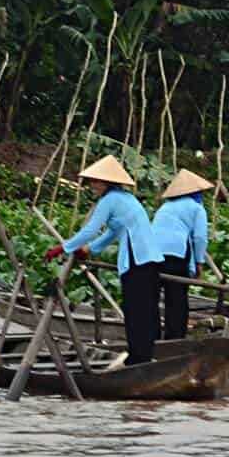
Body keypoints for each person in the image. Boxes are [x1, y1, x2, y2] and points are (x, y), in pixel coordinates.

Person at [46, 156, 162, 364]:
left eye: (96, 182)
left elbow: (91, 229)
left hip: (137, 258)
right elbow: (113, 232)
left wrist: (63, 248)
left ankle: (139, 358)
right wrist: (90, 250)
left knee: (135, 310)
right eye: (92, 182)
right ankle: (148, 354)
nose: (93, 186)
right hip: (150, 258)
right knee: (146, 309)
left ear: (107, 183)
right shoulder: (127, 199)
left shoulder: (109, 200)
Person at [152, 168, 213, 341]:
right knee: (177, 298)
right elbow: (200, 237)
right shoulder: (196, 208)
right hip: (176, 254)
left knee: (153, 297)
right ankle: (175, 339)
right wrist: (199, 262)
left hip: (152, 253)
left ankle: (153, 337)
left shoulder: (165, 207)